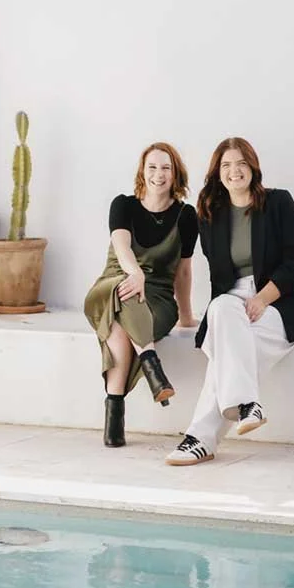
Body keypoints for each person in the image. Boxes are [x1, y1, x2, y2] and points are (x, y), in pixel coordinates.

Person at [166, 137, 294, 466]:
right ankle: (247, 404)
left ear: (253, 167)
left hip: (277, 302)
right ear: (218, 173)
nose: (235, 171)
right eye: (227, 165)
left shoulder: (278, 202)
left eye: (241, 163)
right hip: (230, 303)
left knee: (226, 360)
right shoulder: (210, 214)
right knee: (220, 308)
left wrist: (262, 298)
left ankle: (199, 439)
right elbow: (218, 280)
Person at [84, 142, 198, 448]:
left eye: (165, 168)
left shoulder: (186, 216)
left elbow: (184, 271)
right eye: (152, 167)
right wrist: (135, 274)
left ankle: (114, 420)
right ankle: (150, 363)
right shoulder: (123, 205)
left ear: (176, 175)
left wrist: (185, 315)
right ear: (142, 171)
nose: (158, 174)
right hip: (113, 284)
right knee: (127, 293)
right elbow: (121, 246)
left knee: (120, 329)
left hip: (158, 298)